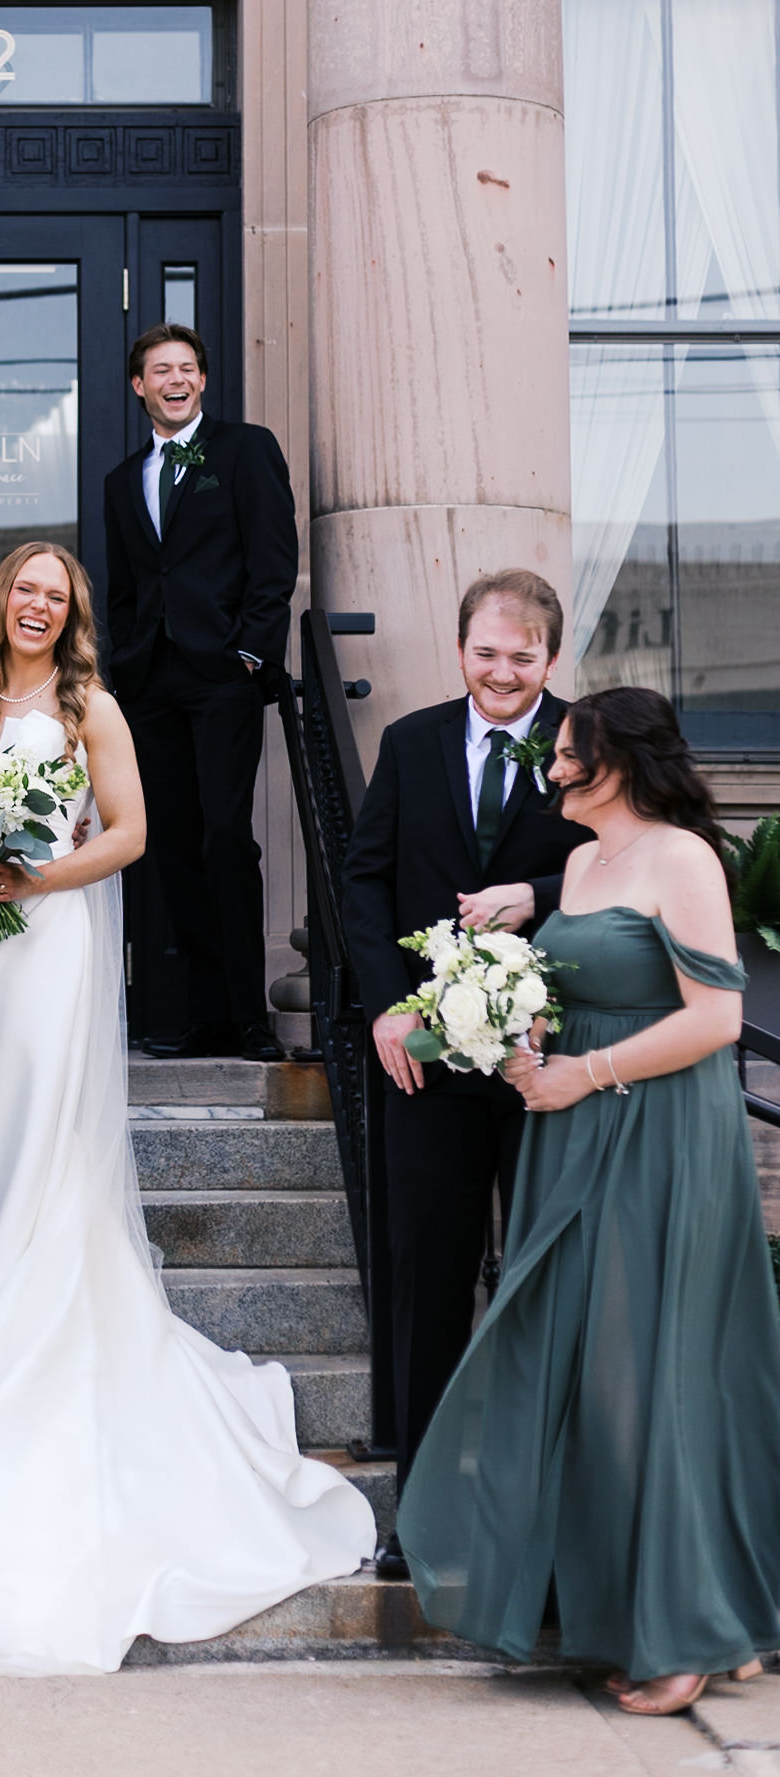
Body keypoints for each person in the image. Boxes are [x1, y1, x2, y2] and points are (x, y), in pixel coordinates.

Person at [0, 542, 376, 1671]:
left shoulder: (91, 707)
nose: (37, 606)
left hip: (49, 942)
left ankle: (30, 1315)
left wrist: (39, 875)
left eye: (57, 596)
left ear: (73, 614)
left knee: (50, 1129)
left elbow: (131, 835)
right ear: (3, 598)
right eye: (24, 589)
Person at [399, 688, 780, 1714]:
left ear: (612, 761)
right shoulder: (576, 864)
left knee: (650, 1367)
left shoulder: (684, 857)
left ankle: (686, 1630)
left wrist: (588, 1072)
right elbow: (574, 983)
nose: (551, 769)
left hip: (660, 1133)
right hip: (573, 1126)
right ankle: (690, 1611)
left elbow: (718, 1019)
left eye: (565, 754)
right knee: (583, 1365)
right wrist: (517, 1041)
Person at [341, 569, 589, 1577]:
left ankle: (546, 1526)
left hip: (549, 1067)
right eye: (485, 653)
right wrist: (385, 1005)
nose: (501, 671)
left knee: (544, 1289)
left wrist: (536, 892)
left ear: (549, 661)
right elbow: (364, 880)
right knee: (428, 1286)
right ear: (460, 652)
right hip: (428, 1072)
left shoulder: (590, 747)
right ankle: (426, 1517)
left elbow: (644, 864)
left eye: (521, 657)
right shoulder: (411, 743)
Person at [103, 321, 298, 1064]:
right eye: (161, 370)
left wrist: (252, 650)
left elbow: (274, 557)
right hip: (152, 679)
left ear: (203, 380)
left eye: (187, 367)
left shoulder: (244, 449)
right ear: (139, 386)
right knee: (172, 847)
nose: (176, 379)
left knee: (225, 838)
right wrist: (126, 661)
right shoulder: (123, 480)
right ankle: (196, 1015)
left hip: (222, 674)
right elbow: (126, 583)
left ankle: (247, 1017)